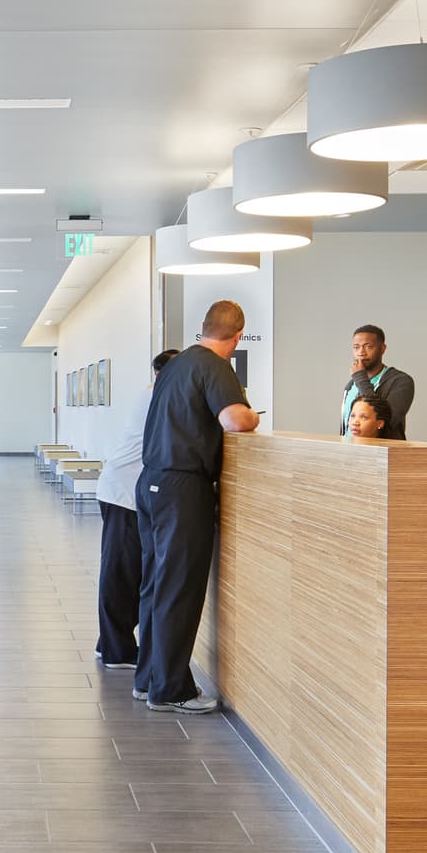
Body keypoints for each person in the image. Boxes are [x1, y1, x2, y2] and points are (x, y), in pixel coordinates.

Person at [135, 301, 261, 713]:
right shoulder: (215, 366)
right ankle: (171, 689)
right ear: (237, 336)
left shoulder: (176, 364)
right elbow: (235, 422)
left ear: (202, 328)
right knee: (179, 589)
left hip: (150, 481)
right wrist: (252, 416)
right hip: (182, 487)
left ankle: (147, 678)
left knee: (155, 583)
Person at [96, 349, 181, 672]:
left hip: (129, 493)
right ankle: (116, 650)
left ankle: (109, 642)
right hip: (123, 493)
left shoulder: (156, 395)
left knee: (127, 572)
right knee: (120, 572)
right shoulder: (155, 398)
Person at [340, 324, 415, 441]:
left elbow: (386, 420)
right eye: (356, 347)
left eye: (368, 347)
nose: (361, 352)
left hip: (382, 455)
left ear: (382, 349)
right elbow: (346, 428)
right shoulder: (351, 385)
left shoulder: (400, 381)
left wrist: (360, 378)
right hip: (351, 454)